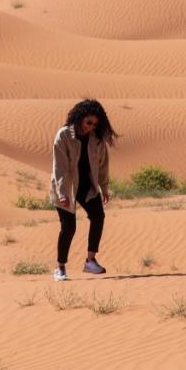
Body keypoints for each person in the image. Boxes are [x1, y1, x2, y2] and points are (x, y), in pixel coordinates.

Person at [49, 98, 116, 281]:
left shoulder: (97, 139)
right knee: (69, 227)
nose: (91, 127)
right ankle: (60, 267)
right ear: (79, 118)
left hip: (87, 185)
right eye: (89, 122)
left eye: (95, 124)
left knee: (98, 216)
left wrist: (104, 187)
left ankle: (90, 261)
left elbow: (103, 165)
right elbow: (60, 167)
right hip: (67, 186)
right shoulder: (63, 135)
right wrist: (62, 193)